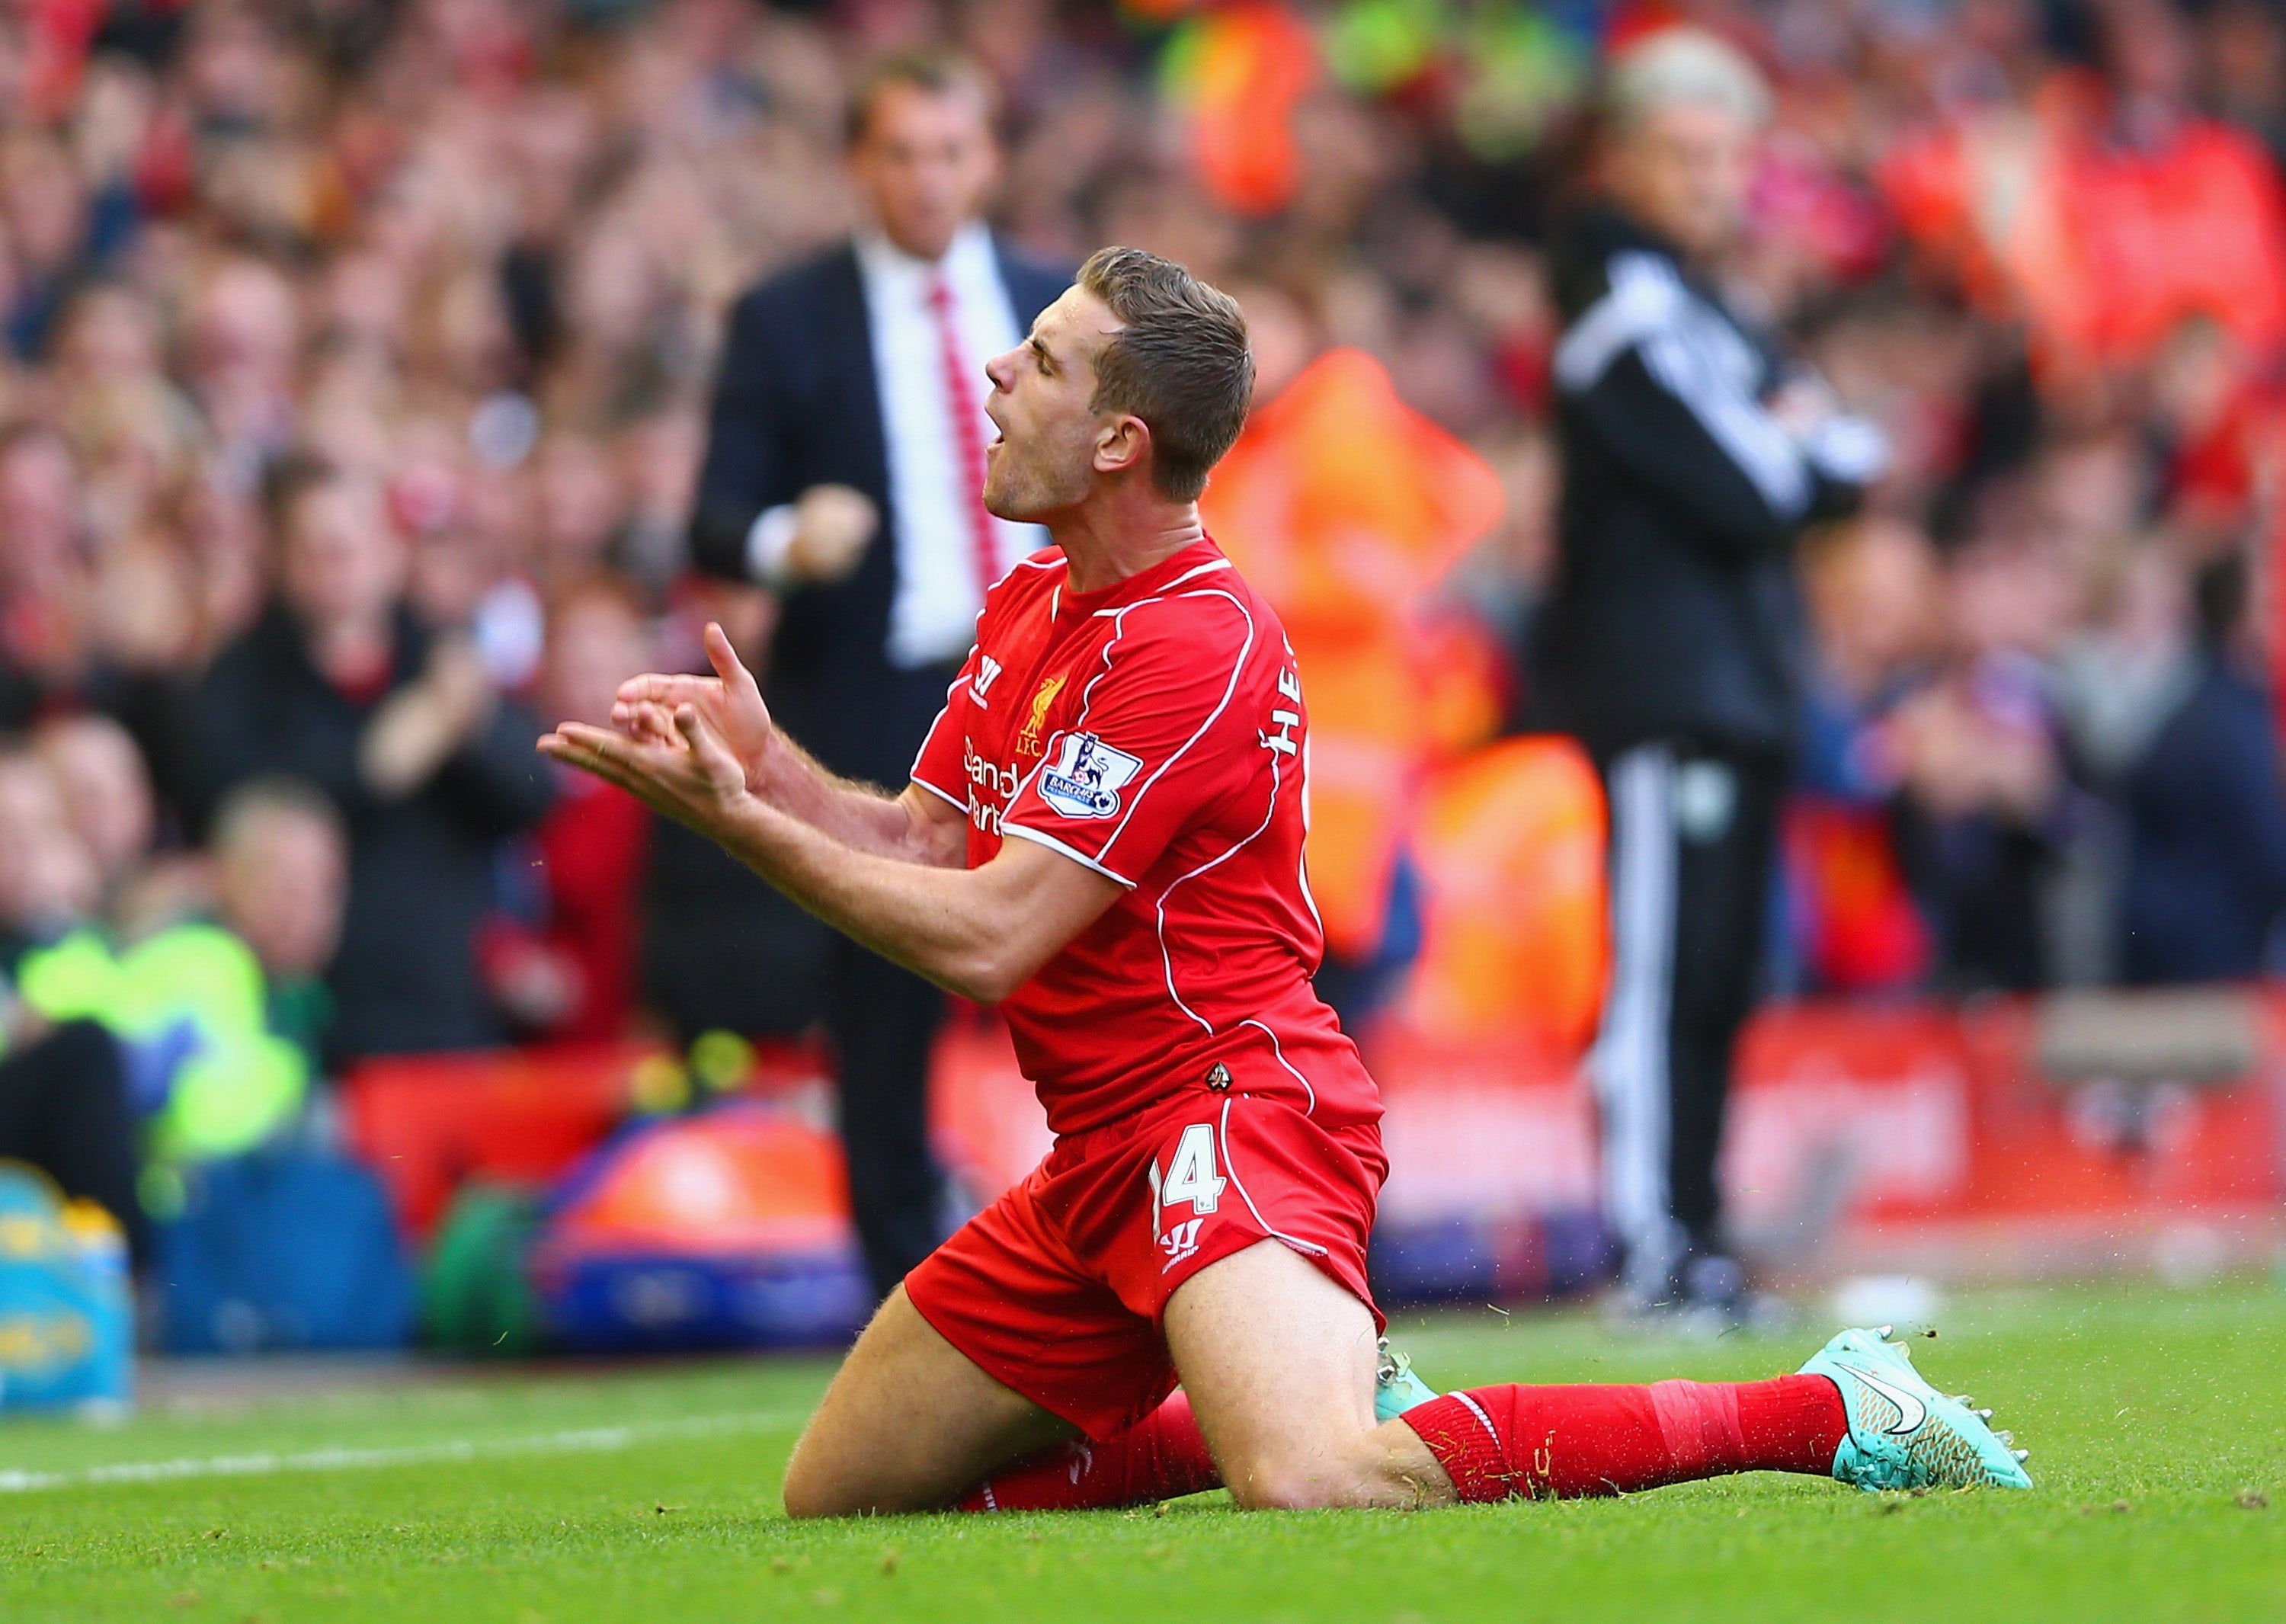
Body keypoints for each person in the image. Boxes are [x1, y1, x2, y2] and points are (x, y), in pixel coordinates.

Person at [542, 246, 2028, 1516]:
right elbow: (934, 843)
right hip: (1096, 1158)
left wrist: (740, 829)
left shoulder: (1193, 642)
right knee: (843, 1493)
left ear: (1121, 439)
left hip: (1229, 1106)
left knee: (1314, 1477)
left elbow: (990, 939)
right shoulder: (1033, 604)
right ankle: (1279, 1369)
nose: (998, 373)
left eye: (1045, 361)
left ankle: (1825, 1410)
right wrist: (771, 774)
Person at [684, 50, 1072, 1300]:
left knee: (1084, 971)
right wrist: (785, 541)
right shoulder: (785, 314)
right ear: (860, 164)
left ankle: (1118, 1255)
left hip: (1050, 682)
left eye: (950, 151)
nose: (926, 179)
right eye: (901, 153)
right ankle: (912, 1309)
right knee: (885, 1005)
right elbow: (712, 516)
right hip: (878, 697)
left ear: (989, 158)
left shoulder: (1049, 306)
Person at [1530, 30, 1887, 1321]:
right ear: (1621, 155)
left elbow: (1851, 453)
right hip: (1661, 682)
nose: (1707, 180)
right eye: (1680, 154)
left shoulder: (1713, 309)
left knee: (1722, 971)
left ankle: (1700, 1232)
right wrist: (1793, 448)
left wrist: (1797, 450)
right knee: (1661, 974)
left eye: (1726, 156)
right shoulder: (1609, 295)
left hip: (1740, 680)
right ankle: (1649, 1245)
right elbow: (1755, 482)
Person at [184, 457, 552, 1062]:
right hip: (306, 1019)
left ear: (390, 551)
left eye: (352, 540)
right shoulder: (243, 678)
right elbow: (226, 807)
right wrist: (376, 763)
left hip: (452, 1011)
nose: (336, 560)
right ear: (280, 558)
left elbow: (536, 792)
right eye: (314, 545)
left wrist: (469, 724)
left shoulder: (442, 659)